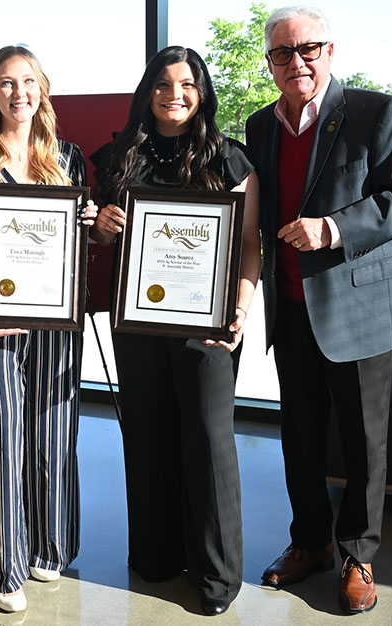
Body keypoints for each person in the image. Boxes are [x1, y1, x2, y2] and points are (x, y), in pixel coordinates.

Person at [243, 6, 392, 614]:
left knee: (363, 441)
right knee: (297, 434)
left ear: (330, 50)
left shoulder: (378, 112)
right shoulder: (261, 126)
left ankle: (359, 556)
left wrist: (332, 229)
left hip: (359, 311)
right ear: (269, 61)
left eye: (308, 49)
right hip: (291, 308)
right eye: (281, 53)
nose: (296, 62)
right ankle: (310, 542)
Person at [89, 45, 262, 617]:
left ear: (202, 90)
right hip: (137, 323)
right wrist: (103, 227)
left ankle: (216, 574)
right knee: (147, 435)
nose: (175, 95)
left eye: (186, 84)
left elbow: (246, 247)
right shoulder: (117, 157)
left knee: (210, 444)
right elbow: (96, 236)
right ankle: (156, 555)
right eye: (163, 85)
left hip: (206, 329)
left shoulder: (230, 159)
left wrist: (240, 309)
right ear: (148, 91)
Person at [0, 45, 97, 613]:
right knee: (3, 440)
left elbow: (86, 239)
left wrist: (86, 220)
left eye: (27, 81)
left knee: (55, 435)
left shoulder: (72, 160)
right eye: (6, 83)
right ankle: (5, 569)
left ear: (43, 88)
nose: (18, 93)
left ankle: (50, 545)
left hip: (56, 323)